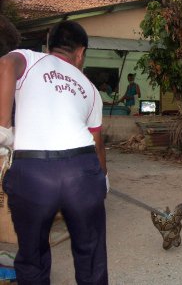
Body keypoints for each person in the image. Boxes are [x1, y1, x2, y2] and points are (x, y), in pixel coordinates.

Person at [0, 21, 109, 284]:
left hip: (34, 172)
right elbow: (97, 142)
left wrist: (3, 126)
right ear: (80, 52)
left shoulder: (29, 58)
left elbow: (5, 64)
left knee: (33, 255)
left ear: (50, 43)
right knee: (91, 254)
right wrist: (102, 179)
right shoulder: (91, 89)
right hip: (82, 172)